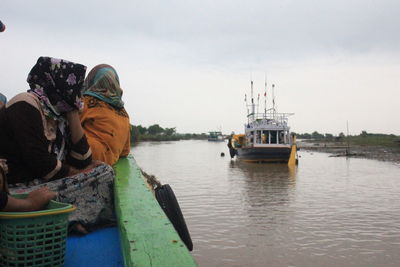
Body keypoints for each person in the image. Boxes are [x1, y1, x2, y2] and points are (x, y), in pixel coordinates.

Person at [0, 57, 114, 232]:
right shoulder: (25, 104)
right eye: (75, 89)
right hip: (18, 190)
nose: (79, 96)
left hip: (40, 182)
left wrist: (73, 113)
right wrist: (80, 173)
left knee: (104, 171)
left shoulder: (58, 114)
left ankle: (64, 219)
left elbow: (82, 159)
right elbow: (40, 163)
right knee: (103, 173)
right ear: (57, 84)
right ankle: (63, 220)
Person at [80, 64, 130, 166]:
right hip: (109, 162)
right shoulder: (124, 112)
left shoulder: (85, 102)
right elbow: (125, 151)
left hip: (86, 158)